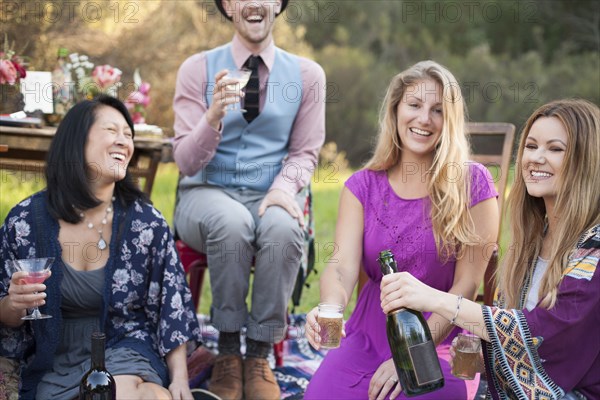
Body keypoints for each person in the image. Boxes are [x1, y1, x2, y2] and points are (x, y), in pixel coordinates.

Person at [304, 60, 499, 400]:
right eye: (414, 105)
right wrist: (328, 309)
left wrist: (411, 354)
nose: (424, 119)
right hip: (368, 335)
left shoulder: (474, 183)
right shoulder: (361, 186)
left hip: (441, 338)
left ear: (449, 121)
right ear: (395, 111)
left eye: (437, 110)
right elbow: (341, 267)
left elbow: (466, 285)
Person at [380, 99, 600, 399]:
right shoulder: (533, 241)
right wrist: (482, 359)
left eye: (555, 149)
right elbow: (516, 336)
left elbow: (545, 332)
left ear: (586, 160)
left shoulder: (594, 248)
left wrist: (434, 299)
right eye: (531, 146)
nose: (535, 158)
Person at [0, 96, 203, 400]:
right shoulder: (26, 221)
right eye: (112, 130)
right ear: (76, 141)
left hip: (123, 343)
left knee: (133, 393)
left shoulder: (145, 223)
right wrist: (14, 304)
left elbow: (171, 309)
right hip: (51, 356)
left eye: (128, 135)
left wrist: (180, 380)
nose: (124, 141)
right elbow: (6, 315)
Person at [171, 0, 326, 398]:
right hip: (204, 193)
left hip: (270, 192)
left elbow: (305, 153)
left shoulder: (308, 75)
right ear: (227, 6)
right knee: (231, 222)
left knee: (283, 228)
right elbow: (186, 162)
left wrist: (280, 191)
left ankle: (258, 355)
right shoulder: (197, 68)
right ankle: (226, 351)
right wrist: (213, 117)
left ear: (277, 4)